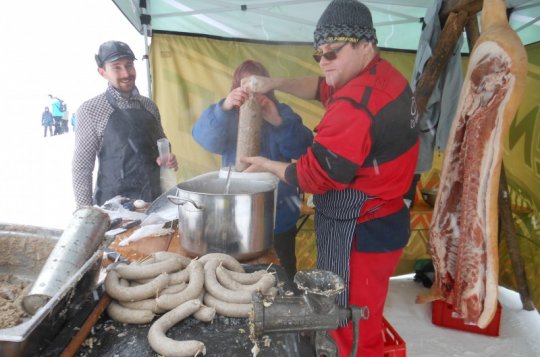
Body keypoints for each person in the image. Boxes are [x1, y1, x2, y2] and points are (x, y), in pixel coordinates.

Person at [240, 1, 419, 356]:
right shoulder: (382, 74)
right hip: (385, 216)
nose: (324, 62)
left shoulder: (356, 105)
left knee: (350, 318)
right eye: (319, 54)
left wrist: (267, 165)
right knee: (360, 312)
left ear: (365, 45)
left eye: (332, 53)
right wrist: (273, 82)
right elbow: (320, 86)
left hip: (361, 229)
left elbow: (312, 176)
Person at [192, 60, 314, 281]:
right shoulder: (227, 114)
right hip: (238, 217)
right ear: (235, 87)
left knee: (282, 274)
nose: (251, 91)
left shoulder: (282, 112)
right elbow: (205, 139)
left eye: (257, 85)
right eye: (244, 85)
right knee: (241, 276)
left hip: (279, 214)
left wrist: (277, 120)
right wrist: (224, 108)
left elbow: (304, 148)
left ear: (267, 86)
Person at [72, 40, 178, 208]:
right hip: (114, 208)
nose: (126, 73)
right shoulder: (90, 110)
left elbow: (162, 143)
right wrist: (85, 211)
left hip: (154, 202)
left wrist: (166, 157)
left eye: (129, 65)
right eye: (116, 67)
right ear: (102, 72)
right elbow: (82, 167)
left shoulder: (149, 106)